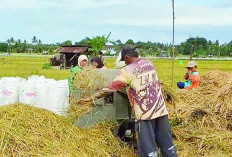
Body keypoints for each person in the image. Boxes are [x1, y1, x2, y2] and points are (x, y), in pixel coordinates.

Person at [102, 45, 177, 157]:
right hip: (161, 111)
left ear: (127, 57)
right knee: (167, 144)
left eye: (124, 60)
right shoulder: (149, 63)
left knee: (148, 148)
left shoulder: (127, 70)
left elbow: (112, 87)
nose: (125, 62)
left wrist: (92, 97)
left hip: (145, 115)